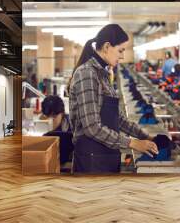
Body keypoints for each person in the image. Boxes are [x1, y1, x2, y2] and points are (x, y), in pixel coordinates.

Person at [68, 24, 158, 173]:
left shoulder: (103, 74)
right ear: (107, 46)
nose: (122, 56)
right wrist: (132, 143)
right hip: (91, 160)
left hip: (106, 154)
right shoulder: (87, 74)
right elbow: (92, 127)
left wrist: (147, 137)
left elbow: (119, 119)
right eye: (120, 50)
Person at [41, 95, 73, 165]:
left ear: (62, 113)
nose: (50, 120)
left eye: (54, 116)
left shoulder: (68, 130)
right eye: (47, 116)